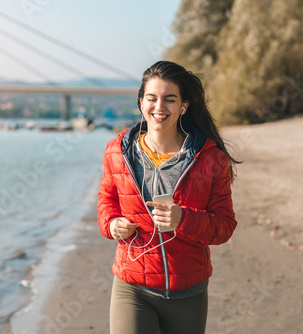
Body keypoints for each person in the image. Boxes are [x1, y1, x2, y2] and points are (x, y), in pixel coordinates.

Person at [97, 60, 239, 334]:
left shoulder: (210, 158)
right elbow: (106, 204)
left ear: (184, 106)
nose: (159, 107)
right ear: (141, 102)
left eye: (169, 99)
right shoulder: (117, 151)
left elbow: (224, 227)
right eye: (152, 98)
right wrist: (113, 224)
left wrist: (183, 218)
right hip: (132, 286)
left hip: (188, 291)